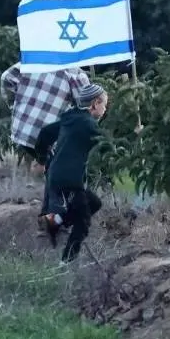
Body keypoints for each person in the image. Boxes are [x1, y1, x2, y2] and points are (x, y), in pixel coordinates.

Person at [34, 82, 110, 264]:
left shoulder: (71, 119)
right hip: (69, 180)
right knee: (83, 222)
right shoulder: (87, 124)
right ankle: (66, 263)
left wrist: (42, 159)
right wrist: (137, 135)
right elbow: (107, 145)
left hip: (58, 175)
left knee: (94, 203)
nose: (105, 109)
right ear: (95, 104)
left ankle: (55, 221)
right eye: (104, 104)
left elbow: (44, 133)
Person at [0, 63, 93, 166]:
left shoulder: (33, 59)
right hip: (48, 137)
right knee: (57, 166)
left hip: (23, 130)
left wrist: (15, 105)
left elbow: (6, 77)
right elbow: (86, 102)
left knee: (47, 163)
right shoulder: (75, 72)